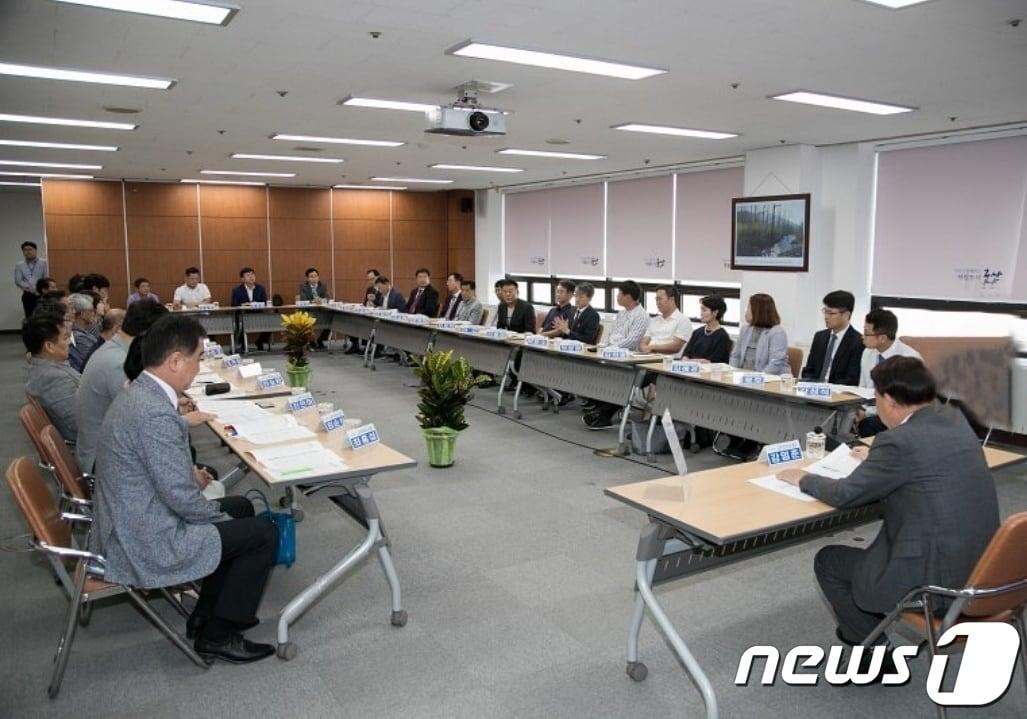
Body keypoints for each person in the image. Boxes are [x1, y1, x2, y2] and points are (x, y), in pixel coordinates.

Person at [777, 357, 999, 654]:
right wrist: (877, 462)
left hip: (935, 583)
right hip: (986, 571)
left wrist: (804, 478)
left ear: (891, 400)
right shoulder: (957, 423)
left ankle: (873, 649)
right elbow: (925, 464)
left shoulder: (898, 442)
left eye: (876, 397)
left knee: (828, 561)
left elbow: (845, 494)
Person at [91, 314, 278, 664]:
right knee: (262, 534)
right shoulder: (152, 411)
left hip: (136, 513)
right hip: (143, 536)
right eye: (198, 358)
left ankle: (207, 614)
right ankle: (219, 635)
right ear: (175, 361)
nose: (199, 366)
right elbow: (179, 496)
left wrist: (223, 516)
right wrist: (218, 518)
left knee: (241, 509)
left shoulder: (142, 392)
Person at [76, 301, 168, 472]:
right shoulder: (118, 364)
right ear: (149, 334)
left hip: (106, 446)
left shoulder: (114, 349)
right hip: (103, 461)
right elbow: (143, 423)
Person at [583, 281, 650, 429]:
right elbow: (611, 334)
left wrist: (610, 348)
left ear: (629, 296)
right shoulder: (621, 313)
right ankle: (598, 406)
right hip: (612, 354)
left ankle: (604, 413)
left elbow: (633, 341)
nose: (617, 297)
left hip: (628, 359)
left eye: (619, 294)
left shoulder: (641, 316)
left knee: (617, 377)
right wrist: (603, 346)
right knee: (595, 370)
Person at [855, 308, 922, 437]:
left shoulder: (909, 359)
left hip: (898, 416)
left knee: (868, 424)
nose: (862, 337)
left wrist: (868, 413)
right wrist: (859, 410)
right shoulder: (867, 353)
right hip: (871, 410)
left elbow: (905, 404)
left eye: (867, 333)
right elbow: (862, 389)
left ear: (883, 338)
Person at [23, 313, 79, 442]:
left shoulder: (46, 368)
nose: (70, 342)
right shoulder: (54, 379)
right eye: (65, 338)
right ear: (49, 346)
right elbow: (80, 425)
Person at [801, 290, 863, 385]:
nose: (826, 317)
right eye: (825, 311)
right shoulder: (820, 337)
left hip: (837, 394)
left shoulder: (858, 342)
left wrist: (827, 390)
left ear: (846, 315)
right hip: (813, 392)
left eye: (831, 313)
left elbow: (851, 379)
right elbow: (809, 370)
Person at [729, 293, 790, 375]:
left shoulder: (777, 332)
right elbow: (735, 355)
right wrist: (733, 373)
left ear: (758, 311)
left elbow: (775, 363)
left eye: (748, 308)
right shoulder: (745, 329)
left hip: (769, 379)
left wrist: (757, 379)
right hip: (743, 377)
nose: (746, 312)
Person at [639, 285, 692, 357]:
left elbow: (675, 347)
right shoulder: (654, 320)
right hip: (648, 358)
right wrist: (645, 348)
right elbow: (643, 343)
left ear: (672, 300)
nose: (657, 303)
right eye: (656, 299)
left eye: (659, 299)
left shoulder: (683, 320)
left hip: (669, 362)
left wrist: (652, 347)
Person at [682, 295, 732, 363]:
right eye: (701, 310)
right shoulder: (697, 332)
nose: (701, 313)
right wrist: (689, 360)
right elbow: (685, 355)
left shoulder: (722, 336)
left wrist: (689, 361)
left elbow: (711, 362)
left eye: (704, 310)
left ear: (715, 312)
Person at [230, 267, 270, 352]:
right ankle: (243, 345)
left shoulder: (261, 289)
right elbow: (234, 304)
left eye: (252, 274)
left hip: (258, 313)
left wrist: (256, 303)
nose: (251, 277)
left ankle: (260, 341)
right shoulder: (237, 290)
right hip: (243, 315)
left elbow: (264, 302)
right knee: (239, 323)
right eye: (248, 275)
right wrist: (243, 304)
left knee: (270, 322)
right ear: (242, 279)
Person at [68, 292, 102, 372]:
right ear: (83, 314)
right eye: (91, 310)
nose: (94, 313)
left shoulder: (84, 331)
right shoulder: (78, 337)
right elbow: (94, 361)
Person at [298, 267, 331, 348]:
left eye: (316, 276)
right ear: (307, 278)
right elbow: (303, 299)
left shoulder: (323, 286)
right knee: (305, 322)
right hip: (308, 312)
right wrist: (313, 301)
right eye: (311, 276)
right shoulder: (303, 287)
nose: (314, 278)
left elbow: (328, 298)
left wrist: (322, 300)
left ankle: (321, 339)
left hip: (321, 312)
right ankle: (311, 341)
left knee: (332, 320)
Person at [15, 241, 48, 318]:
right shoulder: (19, 265)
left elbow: (46, 278)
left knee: (43, 317)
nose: (28, 252)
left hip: (42, 294)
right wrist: (32, 290)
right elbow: (18, 281)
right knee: (30, 317)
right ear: (23, 252)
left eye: (30, 249)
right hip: (28, 294)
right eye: (25, 250)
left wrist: (40, 289)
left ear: (35, 250)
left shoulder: (44, 263)